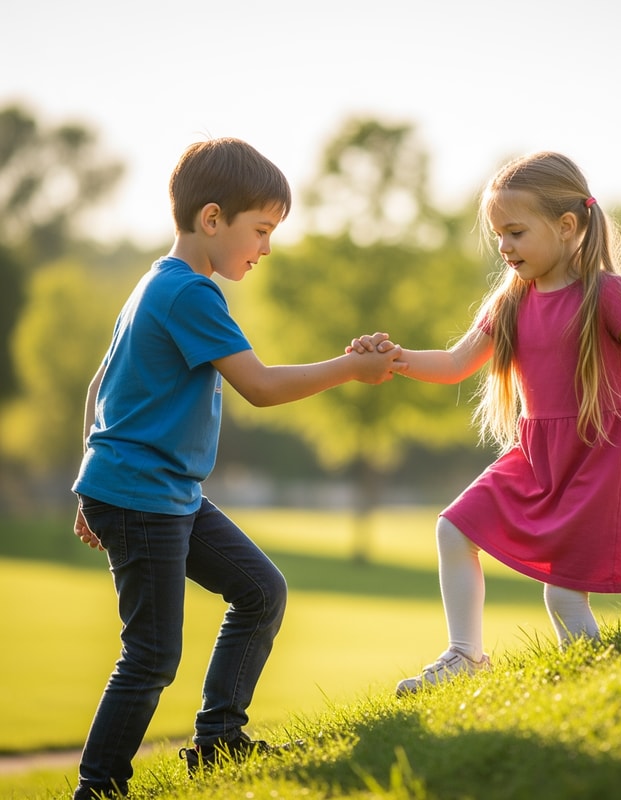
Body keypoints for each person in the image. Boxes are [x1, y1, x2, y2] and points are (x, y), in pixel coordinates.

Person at [71, 137, 405, 799]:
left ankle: (219, 740)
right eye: (262, 230)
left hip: (161, 493)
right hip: (143, 497)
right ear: (213, 219)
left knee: (259, 592)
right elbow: (260, 386)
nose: (267, 248)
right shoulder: (191, 295)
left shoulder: (154, 284)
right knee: (153, 654)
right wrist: (350, 369)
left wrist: (88, 483)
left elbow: (98, 385)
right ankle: (97, 787)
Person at [350, 151, 621, 696]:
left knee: (561, 594)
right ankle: (465, 654)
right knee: (454, 528)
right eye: (498, 236)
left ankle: (597, 685)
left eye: (515, 232)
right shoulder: (510, 299)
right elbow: (454, 362)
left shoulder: (606, 293)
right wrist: (392, 357)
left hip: (596, 455)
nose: (504, 247)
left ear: (566, 226)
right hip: (535, 454)